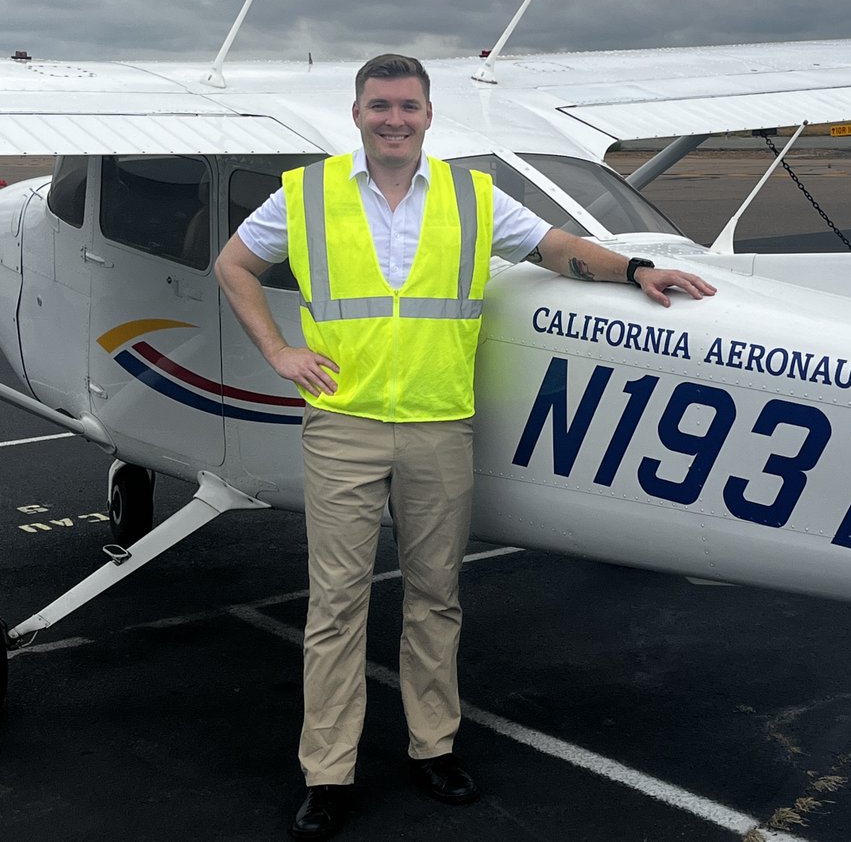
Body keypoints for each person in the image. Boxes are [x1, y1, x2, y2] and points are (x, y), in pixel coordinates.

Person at [214, 53, 716, 841]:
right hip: (343, 423)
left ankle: (432, 746)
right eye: (379, 105)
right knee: (336, 605)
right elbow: (235, 264)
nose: (394, 119)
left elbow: (557, 247)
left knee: (434, 596)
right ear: (356, 114)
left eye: (408, 106)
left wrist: (638, 268)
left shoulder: (471, 195)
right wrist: (278, 350)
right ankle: (328, 772)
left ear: (427, 115)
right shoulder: (304, 194)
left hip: (438, 423)